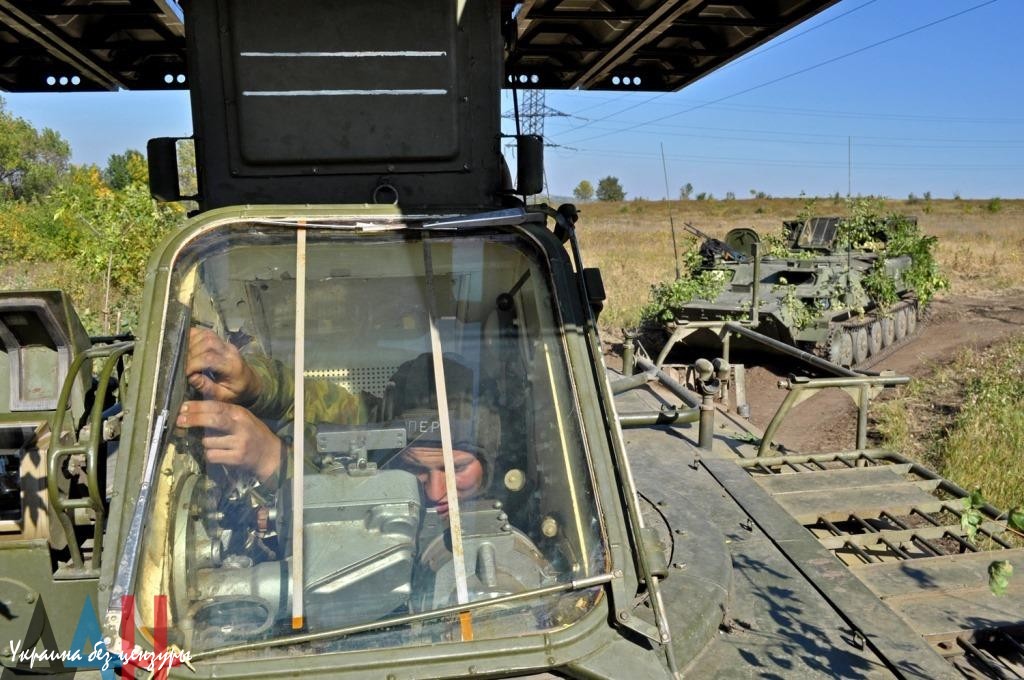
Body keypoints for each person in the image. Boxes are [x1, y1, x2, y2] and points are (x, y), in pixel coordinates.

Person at [176, 327, 500, 513]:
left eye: (456, 469)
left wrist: (274, 460)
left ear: (489, 458)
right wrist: (251, 384)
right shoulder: (375, 428)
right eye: (415, 468)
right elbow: (304, 400)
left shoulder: (519, 504)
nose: (434, 492)